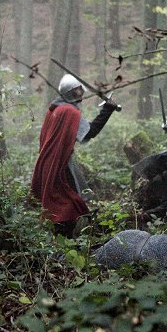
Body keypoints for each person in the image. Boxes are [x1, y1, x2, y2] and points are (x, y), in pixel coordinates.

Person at [30, 74, 119, 238]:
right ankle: (66, 238)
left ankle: (66, 236)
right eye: (78, 90)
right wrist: (107, 110)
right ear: (72, 92)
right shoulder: (68, 111)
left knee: (63, 197)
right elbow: (88, 134)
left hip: (50, 162)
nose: (81, 92)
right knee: (68, 199)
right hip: (59, 163)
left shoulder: (55, 108)